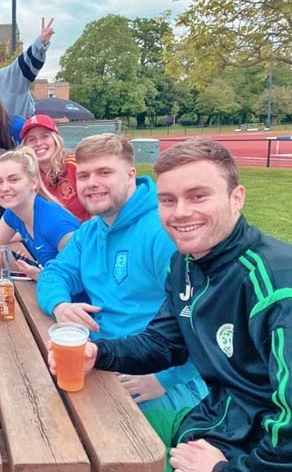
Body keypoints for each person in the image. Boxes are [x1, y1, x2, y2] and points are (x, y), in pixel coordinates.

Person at [49, 138, 292, 472]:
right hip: (212, 421)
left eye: (198, 196)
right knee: (68, 436)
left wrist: (224, 469)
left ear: (237, 198)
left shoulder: (276, 285)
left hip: (246, 450)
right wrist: (98, 353)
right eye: (168, 200)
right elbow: (164, 343)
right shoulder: (187, 264)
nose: (180, 213)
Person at [37, 134, 207, 412]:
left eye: (105, 172)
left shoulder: (164, 231)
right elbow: (54, 272)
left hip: (158, 379)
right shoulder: (91, 230)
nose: (92, 183)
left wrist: (163, 379)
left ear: (130, 175)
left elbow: (203, 314)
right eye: (84, 175)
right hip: (100, 358)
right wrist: (60, 305)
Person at [0, 147, 79, 280]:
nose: (5, 188)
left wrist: (42, 276)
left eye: (14, 180)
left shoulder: (55, 223)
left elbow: (87, 280)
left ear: (33, 183)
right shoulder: (14, 213)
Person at [20, 114, 90, 222]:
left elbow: (98, 210)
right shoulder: (27, 175)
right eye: (31, 139)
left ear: (55, 139)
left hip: (83, 233)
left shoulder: (75, 165)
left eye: (45, 136)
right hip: (48, 235)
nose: (38, 143)